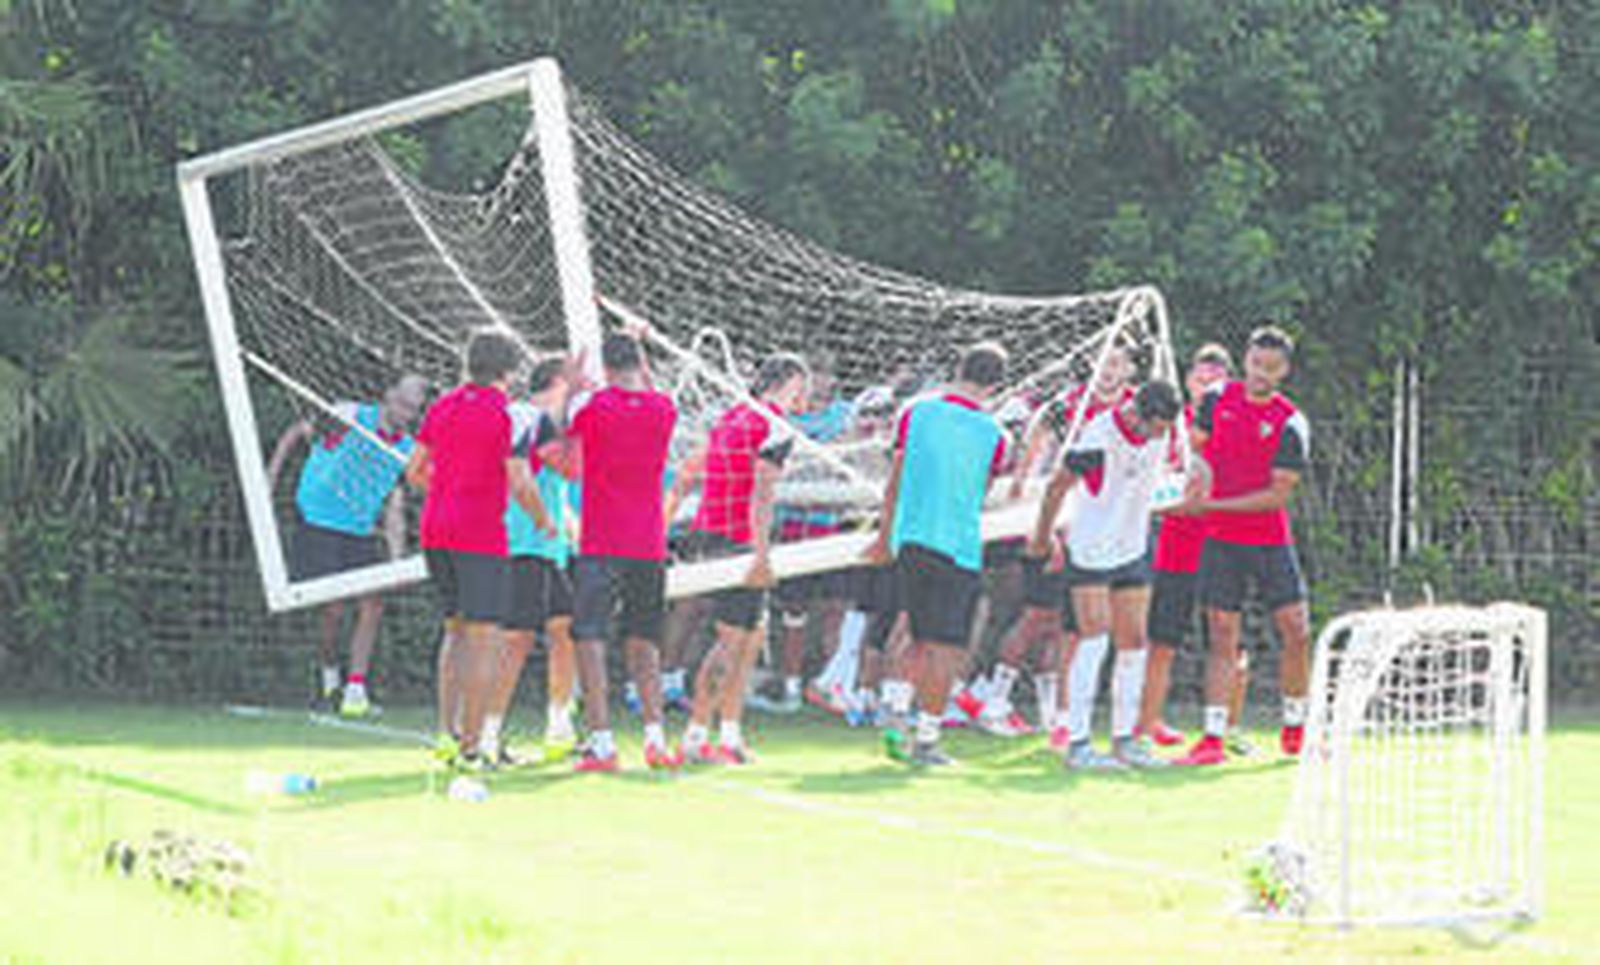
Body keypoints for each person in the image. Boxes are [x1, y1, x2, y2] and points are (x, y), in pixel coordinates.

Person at [404, 329, 554, 769]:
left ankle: (448, 735)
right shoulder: (509, 416)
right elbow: (520, 479)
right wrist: (544, 520)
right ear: (508, 372)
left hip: (436, 530)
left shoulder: (443, 407)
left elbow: (416, 471)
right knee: (485, 639)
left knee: (454, 632)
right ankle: (473, 748)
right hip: (479, 535)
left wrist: (451, 487)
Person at [974, 347, 1134, 744]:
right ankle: (993, 700)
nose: (1107, 370)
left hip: (1103, 533)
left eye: (1116, 363)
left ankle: (1058, 713)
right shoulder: (1068, 406)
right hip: (1057, 524)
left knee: (1070, 627)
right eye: (1102, 362)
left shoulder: (1135, 407)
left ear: (1129, 368)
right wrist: (1041, 518)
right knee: (1035, 617)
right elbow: (1034, 454)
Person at [1030, 380, 1187, 770]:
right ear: (1139, 415)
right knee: (1094, 637)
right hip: (1091, 549)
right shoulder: (1098, 437)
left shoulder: (1159, 436)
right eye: (1158, 426)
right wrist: (1044, 536)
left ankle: (1125, 740)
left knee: (1134, 642)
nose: (1162, 435)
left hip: (1131, 546)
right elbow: (1057, 486)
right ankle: (1079, 743)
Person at [1174, 325, 1313, 767]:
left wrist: (1212, 503)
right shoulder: (1216, 399)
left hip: (1269, 539)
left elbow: (1277, 495)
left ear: (1284, 371)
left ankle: (1296, 727)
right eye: (1255, 364)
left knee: (1296, 628)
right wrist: (1191, 476)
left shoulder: (1291, 423)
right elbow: (1194, 446)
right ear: (1246, 359)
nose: (1260, 374)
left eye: (1271, 368)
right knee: (1221, 633)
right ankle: (1213, 737)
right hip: (1221, 540)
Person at [866, 342, 1009, 767]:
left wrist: (883, 534)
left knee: (910, 631)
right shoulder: (996, 435)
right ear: (996, 384)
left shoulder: (916, 412)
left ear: (958, 368)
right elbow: (980, 495)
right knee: (945, 647)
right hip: (958, 546)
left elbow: (894, 478)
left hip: (911, 538)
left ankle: (894, 712)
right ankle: (927, 738)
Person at [665, 354, 810, 764]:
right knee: (731, 641)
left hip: (708, 533)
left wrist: (668, 515)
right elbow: (762, 494)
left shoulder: (734, 414)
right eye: (803, 386)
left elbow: (690, 469)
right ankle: (696, 736)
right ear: (790, 384)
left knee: (752, 636)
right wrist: (761, 554)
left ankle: (729, 734)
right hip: (737, 539)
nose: (807, 395)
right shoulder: (775, 424)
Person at [266, 373, 428, 718]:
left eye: (413, 409)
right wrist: (270, 476)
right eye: (402, 403)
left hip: (360, 530)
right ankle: (329, 677)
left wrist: (396, 559)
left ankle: (356, 689)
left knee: (373, 603)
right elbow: (298, 433)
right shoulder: (351, 416)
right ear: (387, 394)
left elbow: (394, 500)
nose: (405, 412)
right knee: (332, 609)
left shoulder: (408, 449)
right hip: (319, 521)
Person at [566, 329, 680, 772]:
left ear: (605, 370)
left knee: (590, 639)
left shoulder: (592, 407)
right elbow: (648, 390)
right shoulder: (664, 409)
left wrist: (575, 385)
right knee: (645, 641)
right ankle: (654, 739)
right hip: (648, 543)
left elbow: (562, 434)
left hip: (602, 540)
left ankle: (602, 742)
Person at [1138, 343, 1242, 748]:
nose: (1206, 386)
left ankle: (1226, 727)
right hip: (1177, 547)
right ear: (1187, 381)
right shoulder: (1172, 424)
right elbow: (1155, 481)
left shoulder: (1237, 422)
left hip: (1225, 546)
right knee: (1162, 640)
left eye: (1215, 380)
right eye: (1200, 379)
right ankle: (1148, 724)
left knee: (1227, 636)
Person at [485, 354, 583, 765]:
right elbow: (570, 467)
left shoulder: (546, 424)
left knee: (564, 630)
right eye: (577, 381)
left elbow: (558, 485)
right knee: (517, 641)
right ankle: (486, 734)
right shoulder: (531, 419)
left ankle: (559, 725)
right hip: (521, 544)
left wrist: (571, 528)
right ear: (560, 382)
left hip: (546, 549)